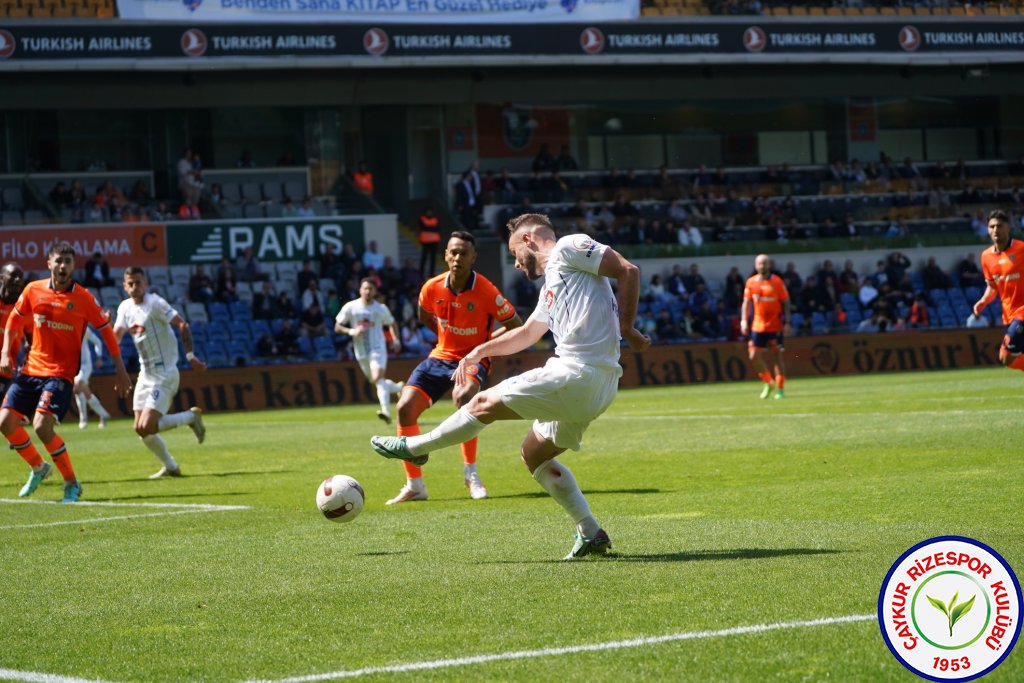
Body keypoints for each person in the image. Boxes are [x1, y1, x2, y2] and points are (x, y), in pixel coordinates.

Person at [371, 215, 649, 559]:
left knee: (482, 403)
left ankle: (416, 446)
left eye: (515, 253)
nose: (516, 264)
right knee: (534, 455)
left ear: (529, 239)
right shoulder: (553, 283)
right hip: (598, 387)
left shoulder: (568, 247)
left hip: (578, 372)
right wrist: (479, 350)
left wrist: (629, 327)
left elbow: (628, 270)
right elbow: (528, 333)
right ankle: (590, 532)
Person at [382, 231, 522, 505]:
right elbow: (424, 313)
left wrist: (486, 343)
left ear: (473, 257)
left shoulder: (486, 290)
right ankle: (415, 485)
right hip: (440, 356)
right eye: (453, 252)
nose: (457, 257)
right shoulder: (431, 287)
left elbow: (516, 324)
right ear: (446, 255)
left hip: (472, 359)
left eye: (463, 253)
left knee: (464, 396)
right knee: (404, 408)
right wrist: (443, 335)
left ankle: (471, 473)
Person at [1, 242, 131, 503]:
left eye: (67, 262)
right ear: (49, 263)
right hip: (30, 370)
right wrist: (6, 352)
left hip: (59, 374)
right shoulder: (32, 290)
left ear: (73, 266)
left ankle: (72, 483)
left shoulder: (83, 298)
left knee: (41, 426)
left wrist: (121, 370)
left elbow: (106, 331)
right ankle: (39, 467)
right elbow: (15, 318)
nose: (62, 266)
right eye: (58, 261)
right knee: (4, 423)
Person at [113, 267, 208, 479]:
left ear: (145, 283)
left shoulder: (155, 302)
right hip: (145, 375)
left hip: (165, 373)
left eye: (138, 283)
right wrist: (103, 328)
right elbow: (116, 336)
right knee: (139, 428)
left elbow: (181, 323)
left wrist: (191, 356)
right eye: (130, 284)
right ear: (124, 286)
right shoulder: (125, 308)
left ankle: (191, 417)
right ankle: (171, 467)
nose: (135, 287)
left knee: (149, 424)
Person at [335, 278, 404, 423]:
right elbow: (337, 326)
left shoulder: (380, 308)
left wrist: (396, 340)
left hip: (377, 348)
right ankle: (398, 387)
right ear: (360, 290)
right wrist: (352, 331)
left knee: (378, 378)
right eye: (365, 288)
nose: (367, 291)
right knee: (377, 381)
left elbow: (392, 323)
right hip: (360, 351)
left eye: (370, 289)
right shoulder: (351, 307)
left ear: (375, 291)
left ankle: (386, 411)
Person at [972, 209, 1024, 373]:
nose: (995, 230)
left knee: (1005, 356)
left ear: (1008, 227)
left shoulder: (1022, 249)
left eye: (999, 226)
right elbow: (993, 287)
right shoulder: (986, 256)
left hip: (1022, 314)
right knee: (1010, 360)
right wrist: (983, 301)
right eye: (992, 226)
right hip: (1008, 315)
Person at [740, 254, 791, 400]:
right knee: (753, 356)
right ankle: (769, 382)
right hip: (758, 326)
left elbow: (786, 303)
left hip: (775, 326)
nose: (762, 266)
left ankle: (780, 388)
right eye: (760, 264)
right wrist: (743, 320)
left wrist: (787, 322)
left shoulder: (777, 282)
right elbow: (746, 303)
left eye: (765, 263)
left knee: (777, 356)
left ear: (769, 265)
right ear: (756, 266)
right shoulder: (751, 283)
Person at [74, 327, 112, 429]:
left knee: (78, 386)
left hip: (85, 365)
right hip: (73, 366)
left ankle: (84, 419)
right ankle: (103, 414)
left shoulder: (84, 329)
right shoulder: (63, 327)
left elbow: (97, 342)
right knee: (82, 392)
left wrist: (99, 356)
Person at [418, 206, 442, 278]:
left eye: (430, 211)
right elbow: (423, 228)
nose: (429, 213)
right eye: (428, 211)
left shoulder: (435, 219)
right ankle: (421, 272)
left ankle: (431, 273)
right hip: (425, 241)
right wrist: (432, 228)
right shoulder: (422, 219)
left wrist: (428, 227)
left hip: (434, 241)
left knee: (433, 258)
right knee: (424, 257)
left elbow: (438, 229)